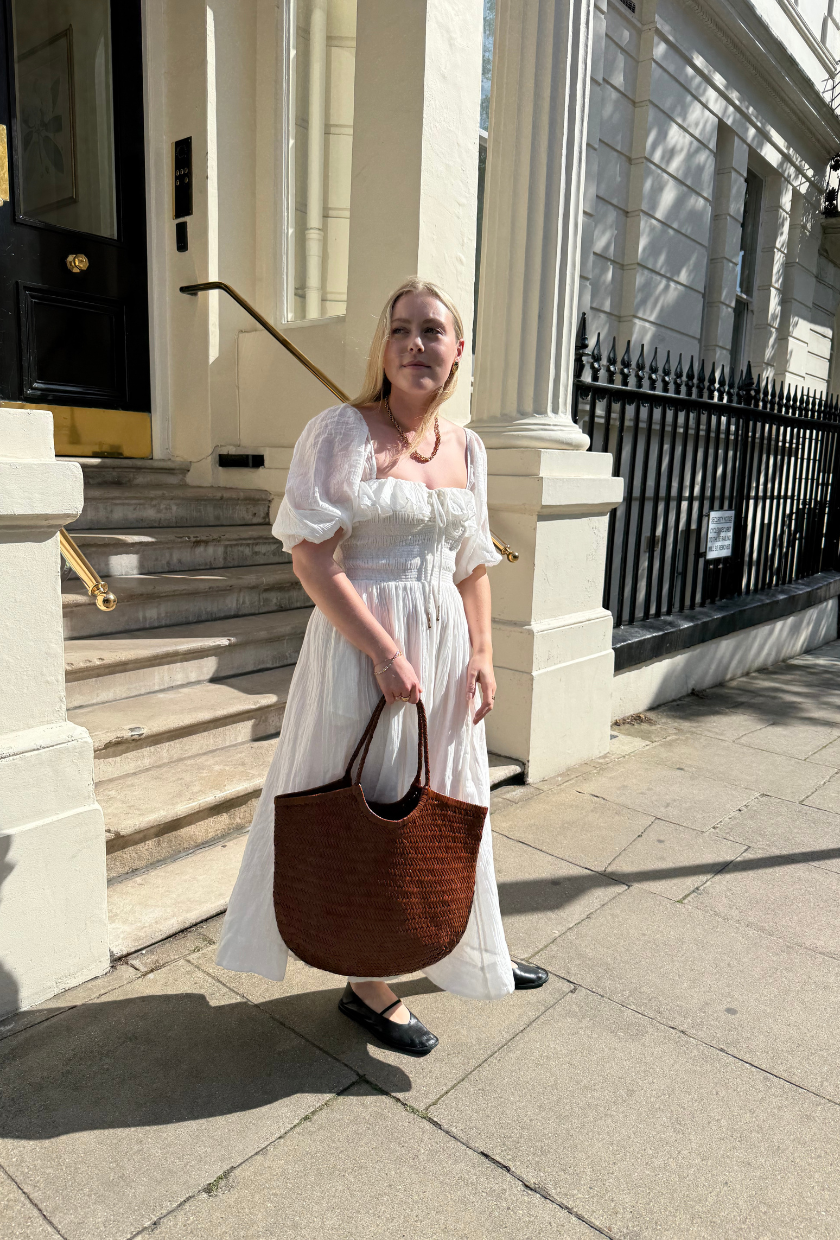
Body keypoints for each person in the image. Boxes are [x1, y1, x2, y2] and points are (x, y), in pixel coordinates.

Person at [216, 277, 547, 1056]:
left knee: (451, 800)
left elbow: (472, 564)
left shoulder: (468, 446)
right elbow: (311, 560)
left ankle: (468, 944)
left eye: (433, 331)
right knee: (366, 800)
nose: (416, 344)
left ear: (457, 350)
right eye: (401, 330)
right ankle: (367, 981)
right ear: (384, 348)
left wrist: (486, 655)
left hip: (444, 653)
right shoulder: (341, 433)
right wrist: (386, 654)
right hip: (364, 649)